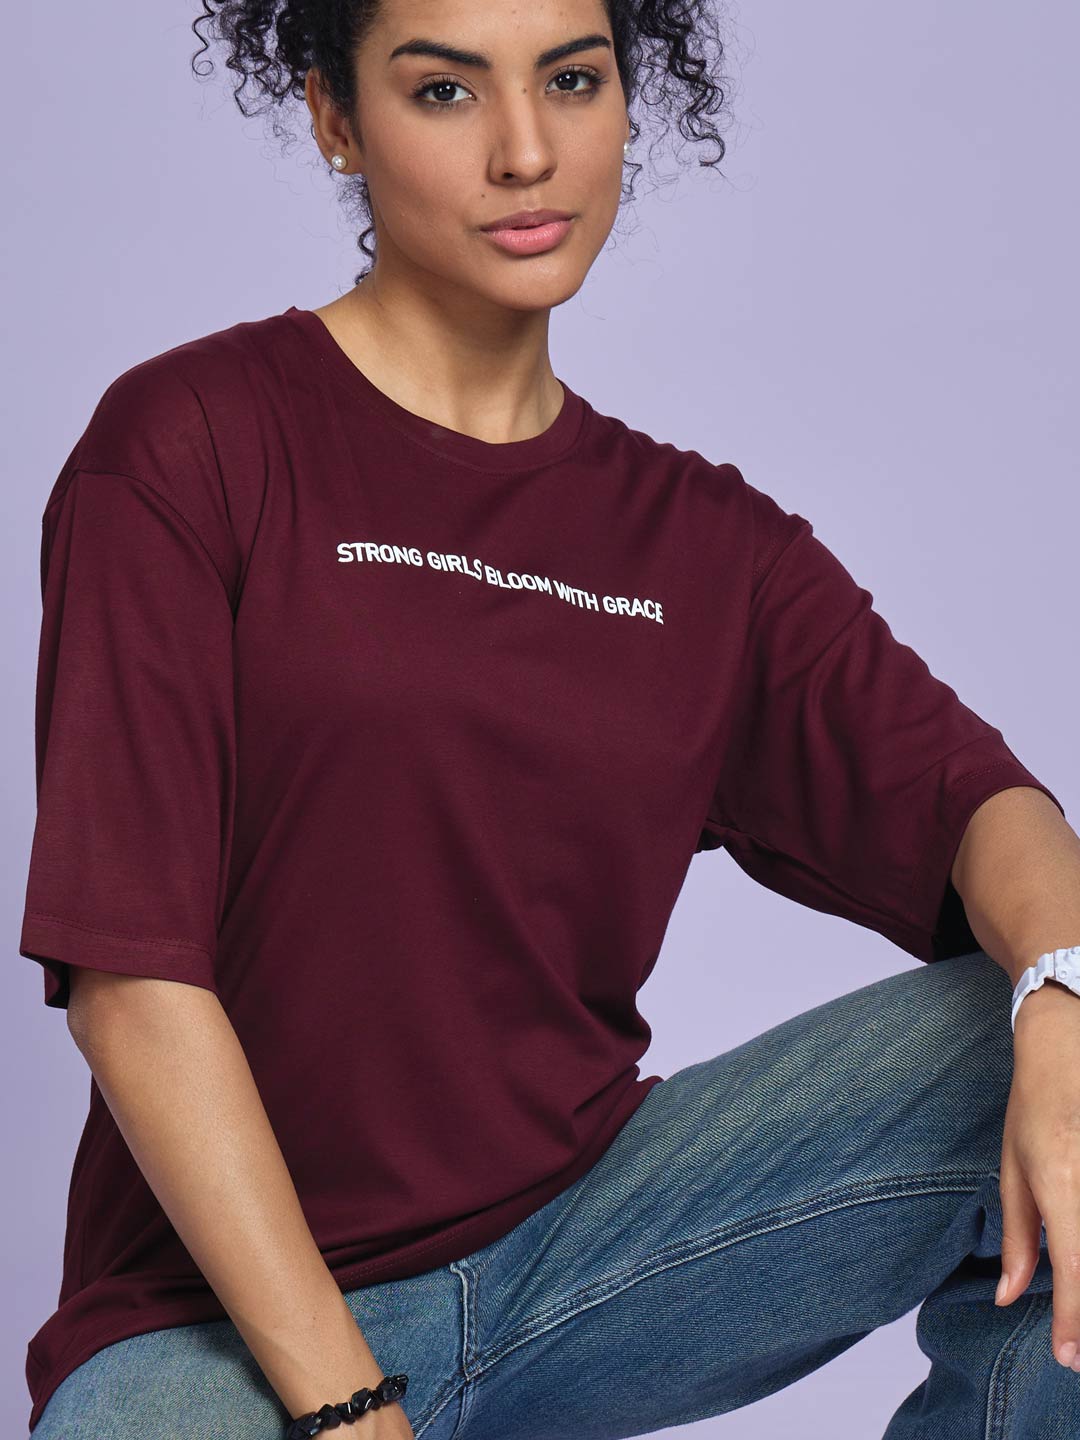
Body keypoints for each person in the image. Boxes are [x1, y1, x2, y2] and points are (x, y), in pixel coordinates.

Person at [16, 0, 1080, 1436]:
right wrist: (348, 1411)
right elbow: (132, 983)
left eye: (571, 81)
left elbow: (986, 809)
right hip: (218, 1328)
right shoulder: (192, 442)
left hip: (595, 1256)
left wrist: (1063, 997)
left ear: (629, 105)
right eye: (446, 93)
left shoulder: (708, 549)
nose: (528, 151)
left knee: (1059, 1023)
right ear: (337, 119)